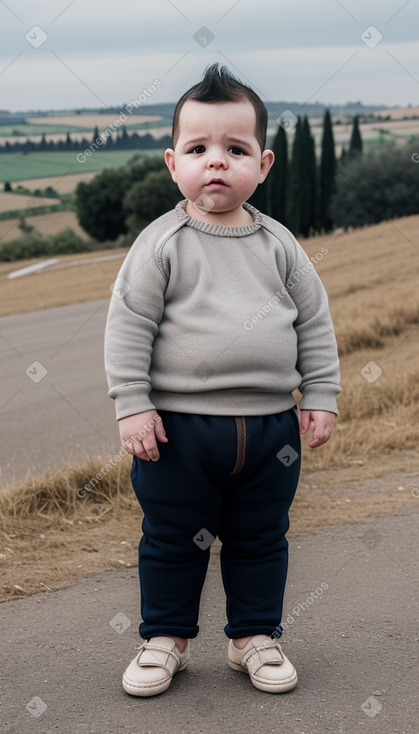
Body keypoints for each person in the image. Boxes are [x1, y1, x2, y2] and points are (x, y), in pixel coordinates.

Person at [104, 63, 341, 697]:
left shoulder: (281, 245)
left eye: (234, 150)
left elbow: (314, 323)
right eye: (198, 149)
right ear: (171, 162)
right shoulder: (161, 245)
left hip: (271, 433)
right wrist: (132, 406)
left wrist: (321, 395)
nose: (216, 162)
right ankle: (165, 640)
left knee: (262, 538)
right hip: (177, 433)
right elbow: (128, 328)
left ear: (262, 165)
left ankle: (254, 638)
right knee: (173, 540)